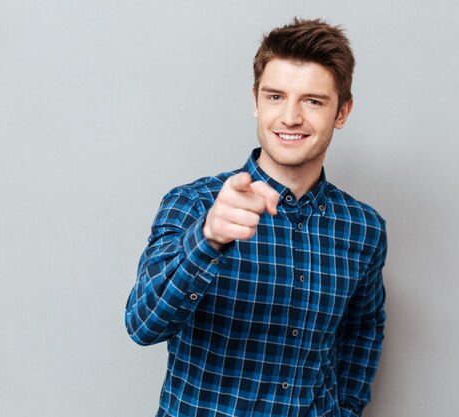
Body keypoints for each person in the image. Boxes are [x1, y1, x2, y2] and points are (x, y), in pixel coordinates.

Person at [125, 17, 387, 417]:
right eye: (275, 97)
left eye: (313, 101)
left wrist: (347, 410)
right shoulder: (194, 204)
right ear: (255, 100)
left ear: (343, 111)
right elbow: (143, 325)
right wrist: (208, 239)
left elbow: (362, 330)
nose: (290, 118)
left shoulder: (364, 228)